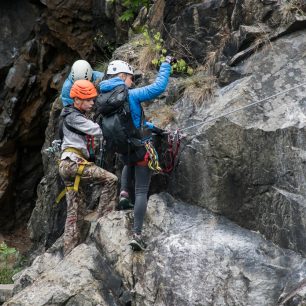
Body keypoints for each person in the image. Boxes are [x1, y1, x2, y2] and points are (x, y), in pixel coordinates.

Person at [99, 57, 174, 251]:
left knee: (128, 162)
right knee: (141, 190)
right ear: (122, 76)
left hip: (123, 149)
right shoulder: (130, 95)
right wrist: (165, 64)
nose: (132, 81)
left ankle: (124, 194)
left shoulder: (104, 98)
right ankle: (137, 234)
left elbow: (130, 122)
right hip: (140, 148)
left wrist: (154, 128)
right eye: (131, 78)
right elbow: (158, 87)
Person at [58, 79, 118, 256]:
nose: (93, 102)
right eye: (89, 99)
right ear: (77, 100)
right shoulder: (73, 116)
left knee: (75, 213)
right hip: (73, 163)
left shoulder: (69, 114)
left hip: (68, 165)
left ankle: (70, 254)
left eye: (93, 99)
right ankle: (104, 222)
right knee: (111, 179)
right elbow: (97, 130)